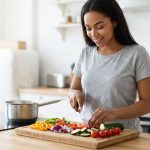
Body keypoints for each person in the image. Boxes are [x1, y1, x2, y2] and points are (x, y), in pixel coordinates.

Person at [69, 0, 150, 131]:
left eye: (99, 27)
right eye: (88, 28)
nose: (93, 34)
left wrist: (113, 114)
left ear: (115, 21)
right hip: (89, 133)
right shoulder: (85, 53)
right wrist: (75, 94)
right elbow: (74, 88)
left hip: (124, 135)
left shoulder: (137, 54)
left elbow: (147, 103)